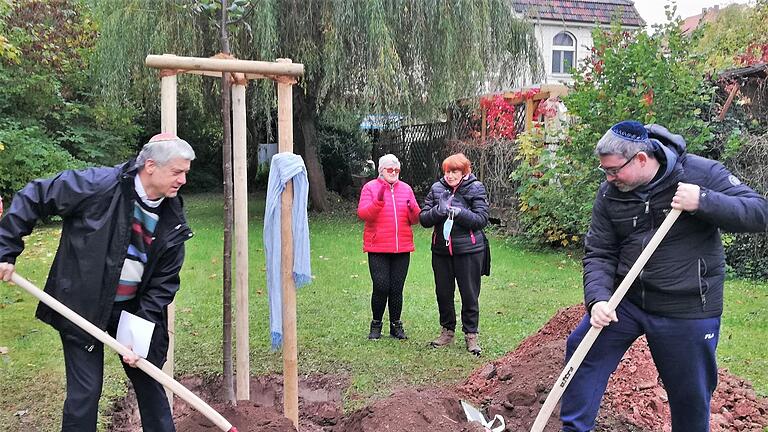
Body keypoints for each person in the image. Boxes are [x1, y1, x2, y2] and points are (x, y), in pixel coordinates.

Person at [560, 121, 768, 432]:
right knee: (583, 347)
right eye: (605, 170)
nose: (608, 178)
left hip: (687, 306)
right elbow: (599, 252)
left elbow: (759, 212)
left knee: (690, 395)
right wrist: (598, 298)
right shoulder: (610, 194)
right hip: (627, 301)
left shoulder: (699, 174)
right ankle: (574, 428)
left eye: (614, 170)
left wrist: (703, 201)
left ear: (641, 159)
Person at [0, 133, 196, 432]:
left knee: (150, 380)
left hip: (132, 308)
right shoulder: (98, 186)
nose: (183, 180)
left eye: (185, 173)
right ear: (151, 166)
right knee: (86, 393)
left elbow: (163, 284)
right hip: (84, 304)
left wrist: (138, 333)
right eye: (177, 172)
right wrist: (5, 249)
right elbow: (35, 195)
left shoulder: (173, 217)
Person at [420, 153, 489, 355]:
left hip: (469, 250)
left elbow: (482, 219)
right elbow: (424, 219)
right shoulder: (436, 188)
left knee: (469, 294)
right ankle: (447, 331)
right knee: (443, 293)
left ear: (464, 172)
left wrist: (459, 212)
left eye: (454, 172)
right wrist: (438, 211)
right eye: (447, 171)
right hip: (441, 251)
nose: (449, 176)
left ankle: (471, 336)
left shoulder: (476, 187)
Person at [357, 154, 421, 340]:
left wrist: (414, 211)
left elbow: (415, 219)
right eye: (389, 169)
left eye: (397, 170)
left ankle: (396, 325)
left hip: (402, 247)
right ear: (381, 170)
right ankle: (376, 324)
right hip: (377, 247)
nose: (393, 173)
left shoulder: (406, 189)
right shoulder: (370, 187)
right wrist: (377, 202)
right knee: (381, 286)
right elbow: (363, 214)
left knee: (396, 288)